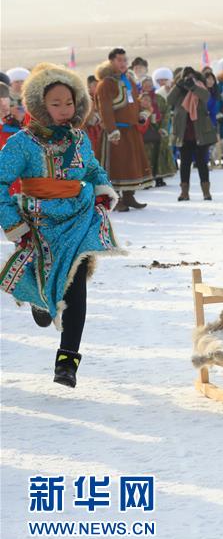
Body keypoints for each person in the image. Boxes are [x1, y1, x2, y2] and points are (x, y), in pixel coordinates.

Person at [0, 63, 122, 387]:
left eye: (69, 103)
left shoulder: (79, 140)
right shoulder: (21, 144)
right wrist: (14, 224)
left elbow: (93, 170)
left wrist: (103, 189)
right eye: (56, 104)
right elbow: (0, 182)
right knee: (47, 285)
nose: (64, 110)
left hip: (78, 221)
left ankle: (67, 362)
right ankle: (41, 301)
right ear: (40, 105)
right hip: (38, 224)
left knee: (76, 285)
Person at [94, 48, 153, 211]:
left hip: (131, 130)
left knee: (131, 164)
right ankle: (115, 198)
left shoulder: (129, 81)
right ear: (111, 62)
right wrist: (112, 130)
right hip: (116, 132)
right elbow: (105, 109)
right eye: (119, 60)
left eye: (125, 60)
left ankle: (129, 196)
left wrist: (141, 113)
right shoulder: (106, 84)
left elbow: (135, 102)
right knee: (116, 166)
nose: (123, 63)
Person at [168, 67, 217, 201]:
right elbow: (169, 100)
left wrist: (193, 87)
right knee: (184, 163)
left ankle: (206, 192)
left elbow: (206, 97)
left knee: (202, 163)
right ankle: (184, 192)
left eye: (192, 77)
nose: (189, 79)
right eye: (187, 77)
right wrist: (179, 86)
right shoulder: (179, 91)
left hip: (200, 131)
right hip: (183, 131)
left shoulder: (200, 87)